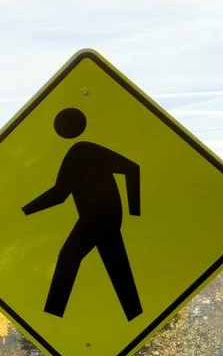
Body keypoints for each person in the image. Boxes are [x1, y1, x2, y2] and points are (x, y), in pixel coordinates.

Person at [22, 108, 143, 321]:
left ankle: (53, 315)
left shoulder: (82, 151)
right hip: (101, 218)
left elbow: (133, 169)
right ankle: (134, 315)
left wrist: (135, 212)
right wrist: (26, 211)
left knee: (69, 257)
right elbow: (60, 194)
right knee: (116, 267)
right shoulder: (78, 152)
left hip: (98, 218)